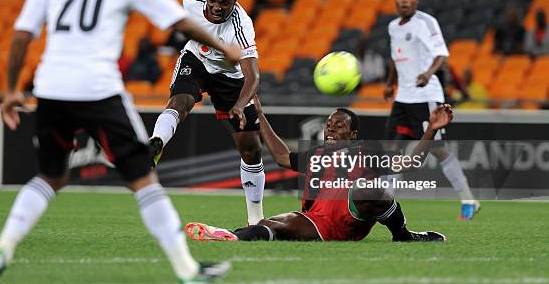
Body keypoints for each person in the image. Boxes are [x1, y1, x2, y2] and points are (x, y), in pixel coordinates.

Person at [0, 0, 239, 284]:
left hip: (51, 87)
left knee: (49, 176)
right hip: (98, 89)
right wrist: (222, 45)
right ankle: (187, 270)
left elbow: (21, 34)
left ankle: (2, 248)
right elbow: (179, 24)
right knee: (144, 178)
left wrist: (13, 88)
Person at [185, 96, 449, 243]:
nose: (331, 128)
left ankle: (403, 235)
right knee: (269, 224)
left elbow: (410, 164)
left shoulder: (368, 152)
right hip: (315, 220)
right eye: (329, 124)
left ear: (354, 134)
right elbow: (280, 156)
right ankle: (228, 237)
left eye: (339, 125)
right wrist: (260, 115)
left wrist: (430, 129)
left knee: (370, 190)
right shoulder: (317, 155)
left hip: (348, 221)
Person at [150, 0, 264, 226]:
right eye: (213, 0)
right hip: (197, 60)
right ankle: (156, 142)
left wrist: (238, 105)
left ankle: (255, 220)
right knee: (180, 102)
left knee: (251, 148)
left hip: (229, 77)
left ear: (235, 0)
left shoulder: (242, 25)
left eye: (223, 2)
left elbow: (253, 76)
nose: (216, 6)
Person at [384, 0, 480, 220]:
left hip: (426, 96)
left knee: (437, 150)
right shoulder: (393, 27)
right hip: (402, 97)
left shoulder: (426, 22)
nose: (405, 0)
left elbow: (441, 54)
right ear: (395, 0)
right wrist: (389, 83)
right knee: (391, 148)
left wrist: (428, 73)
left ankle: (469, 199)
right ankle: (384, 202)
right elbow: (396, 59)